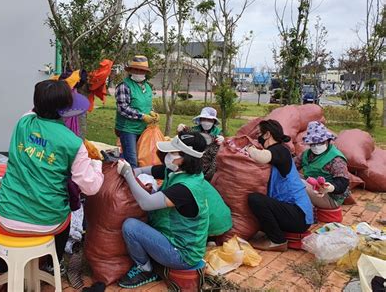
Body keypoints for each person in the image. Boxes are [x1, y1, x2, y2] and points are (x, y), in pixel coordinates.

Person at [0, 80, 104, 273]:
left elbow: (36, 108)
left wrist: (50, 93)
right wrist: (97, 165)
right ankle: (55, 263)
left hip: (8, 218)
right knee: (66, 214)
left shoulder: (23, 123)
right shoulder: (74, 144)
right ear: (67, 108)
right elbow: (91, 187)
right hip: (49, 222)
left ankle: (2, 265)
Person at [116, 132, 231, 289]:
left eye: (172, 153)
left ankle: (145, 269)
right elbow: (144, 171)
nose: (167, 156)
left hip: (182, 254)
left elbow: (146, 203)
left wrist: (128, 174)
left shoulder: (186, 188)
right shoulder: (176, 171)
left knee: (130, 226)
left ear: (187, 157)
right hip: (173, 238)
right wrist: (127, 170)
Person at [246, 119, 313, 252]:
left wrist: (248, 148)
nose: (258, 137)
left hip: (299, 216)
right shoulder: (279, 151)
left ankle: (278, 241)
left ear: (267, 134)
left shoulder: (280, 150)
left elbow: (262, 157)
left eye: (260, 133)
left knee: (255, 199)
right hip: (293, 213)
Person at [115, 55, 159, 168]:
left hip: (143, 129)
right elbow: (123, 108)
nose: (139, 72)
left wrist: (152, 113)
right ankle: (129, 184)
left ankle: (140, 182)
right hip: (128, 129)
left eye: (142, 70)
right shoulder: (124, 86)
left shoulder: (147, 87)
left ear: (145, 72)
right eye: (136, 69)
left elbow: (147, 104)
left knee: (143, 158)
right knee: (132, 161)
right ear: (131, 70)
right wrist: (142, 116)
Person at [297, 121, 350, 209]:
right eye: (313, 144)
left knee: (299, 183)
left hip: (330, 197)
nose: (316, 146)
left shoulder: (336, 159)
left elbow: (342, 183)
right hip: (313, 187)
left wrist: (330, 188)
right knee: (291, 176)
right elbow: (291, 166)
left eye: (320, 143)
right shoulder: (306, 154)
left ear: (328, 141)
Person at [177, 107, 224, 180]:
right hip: (194, 160)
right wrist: (181, 128)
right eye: (204, 119)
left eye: (209, 120)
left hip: (208, 163)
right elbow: (184, 137)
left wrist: (223, 140)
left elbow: (219, 154)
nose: (206, 121)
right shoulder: (194, 130)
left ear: (214, 121)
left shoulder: (218, 133)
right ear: (200, 120)